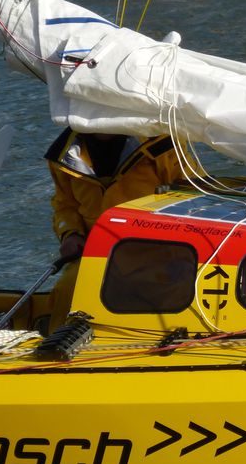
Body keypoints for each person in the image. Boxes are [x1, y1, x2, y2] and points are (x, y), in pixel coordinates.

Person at [43, 128, 185, 330]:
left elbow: (190, 191)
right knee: (67, 290)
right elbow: (64, 205)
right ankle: (56, 351)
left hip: (160, 251)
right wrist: (70, 234)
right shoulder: (61, 154)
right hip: (97, 255)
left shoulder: (162, 142)